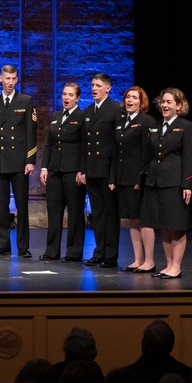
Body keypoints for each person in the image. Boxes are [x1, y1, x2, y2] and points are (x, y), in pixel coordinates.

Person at [143, 88, 192, 279]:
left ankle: (177, 266)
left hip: (175, 183)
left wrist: (187, 185)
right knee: (164, 226)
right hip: (155, 182)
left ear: (179, 106)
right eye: (163, 102)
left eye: (169, 102)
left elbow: (189, 158)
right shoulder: (156, 126)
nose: (164, 105)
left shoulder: (186, 126)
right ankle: (168, 265)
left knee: (176, 226)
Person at [0, 65, 37, 257]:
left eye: (13, 78)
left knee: (22, 204)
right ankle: (3, 245)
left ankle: (23, 247)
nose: (10, 82)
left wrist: (30, 159)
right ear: (0, 79)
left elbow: (31, 133)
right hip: (0, 161)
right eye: (7, 78)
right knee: (1, 204)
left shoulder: (25, 101)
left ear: (17, 80)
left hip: (19, 162)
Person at [39, 82, 85, 262]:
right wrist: (44, 167)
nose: (66, 98)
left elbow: (84, 147)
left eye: (70, 95)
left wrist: (82, 169)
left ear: (77, 98)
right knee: (54, 210)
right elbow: (49, 143)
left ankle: (74, 252)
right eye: (64, 95)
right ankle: (52, 251)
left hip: (73, 171)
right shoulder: (57, 116)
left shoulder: (82, 117)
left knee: (75, 211)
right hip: (55, 171)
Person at [80, 72, 120, 269]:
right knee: (97, 213)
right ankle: (99, 251)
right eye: (92, 85)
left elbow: (117, 145)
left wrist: (114, 173)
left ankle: (110, 255)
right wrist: (83, 170)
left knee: (109, 213)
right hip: (93, 169)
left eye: (97, 85)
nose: (93, 88)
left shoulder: (115, 110)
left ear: (108, 88)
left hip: (107, 170)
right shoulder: (88, 112)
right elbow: (85, 145)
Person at [115, 86, 156, 272]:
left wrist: (142, 176)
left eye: (134, 98)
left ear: (141, 102)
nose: (130, 100)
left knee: (143, 219)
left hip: (139, 178)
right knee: (132, 219)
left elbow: (148, 152)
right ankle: (138, 260)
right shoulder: (123, 120)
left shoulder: (146, 120)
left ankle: (149, 261)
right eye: (128, 97)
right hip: (124, 177)